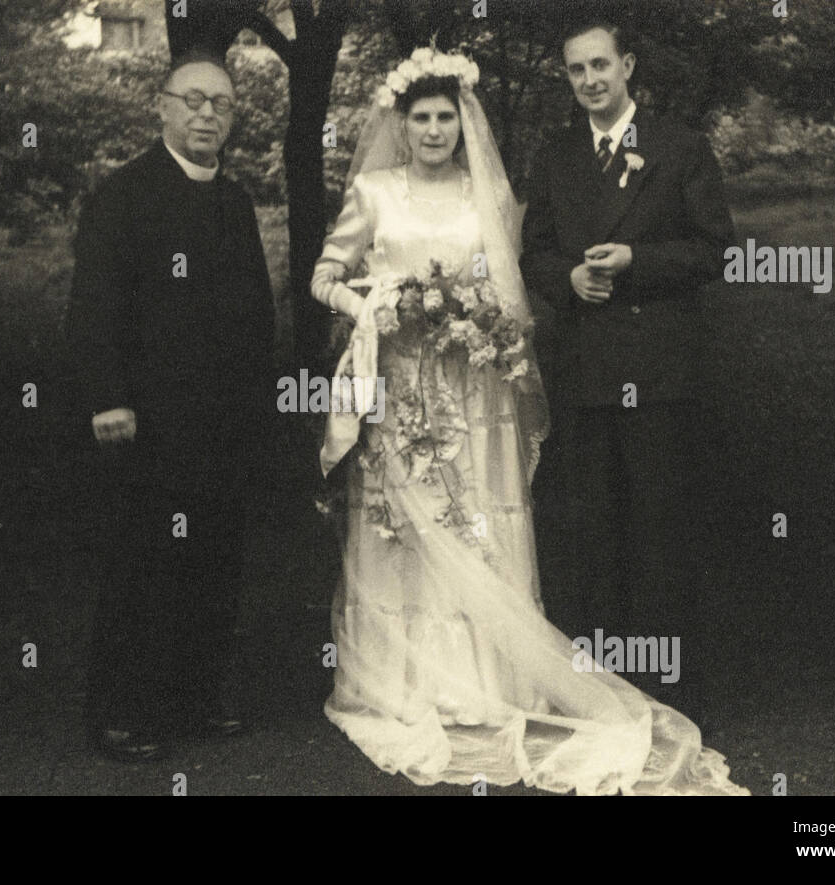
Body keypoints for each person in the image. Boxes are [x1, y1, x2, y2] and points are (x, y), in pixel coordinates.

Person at [312, 46, 746, 794]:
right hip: (405, 386)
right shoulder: (376, 193)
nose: (437, 130)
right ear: (401, 124)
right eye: (423, 118)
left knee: (489, 523)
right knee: (407, 536)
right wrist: (373, 305)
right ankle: (414, 681)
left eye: (449, 116)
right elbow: (328, 275)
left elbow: (514, 280)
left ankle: (506, 675)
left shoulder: (497, 191)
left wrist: (485, 321)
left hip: (479, 392)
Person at [520, 18, 735, 724]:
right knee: (591, 529)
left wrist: (637, 262)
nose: (590, 81)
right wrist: (570, 278)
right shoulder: (555, 155)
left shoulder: (681, 148)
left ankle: (672, 693)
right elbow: (535, 253)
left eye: (601, 66)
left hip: (661, 371)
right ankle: (603, 691)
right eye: (576, 70)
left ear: (628, 66)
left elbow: (713, 251)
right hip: (585, 372)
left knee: (660, 527)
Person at [66, 49, 276, 762]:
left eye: (220, 103)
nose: (206, 114)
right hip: (147, 423)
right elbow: (93, 306)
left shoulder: (235, 200)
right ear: (161, 106)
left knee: (214, 561)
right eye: (192, 100)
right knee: (144, 564)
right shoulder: (123, 195)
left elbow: (253, 311)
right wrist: (108, 398)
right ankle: (121, 711)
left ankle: (194, 699)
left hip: (220, 424)